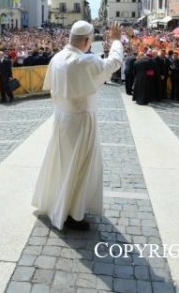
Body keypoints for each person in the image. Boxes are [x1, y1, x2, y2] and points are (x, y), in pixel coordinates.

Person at [32, 20, 123, 231]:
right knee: (80, 167)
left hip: (62, 118)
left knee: (62, 163)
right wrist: (116, 41)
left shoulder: (57, 58)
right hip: (81, 120)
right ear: (86, 41)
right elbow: (114, 63)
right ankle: (74, 213)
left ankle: (57, 202)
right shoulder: (85, 61)